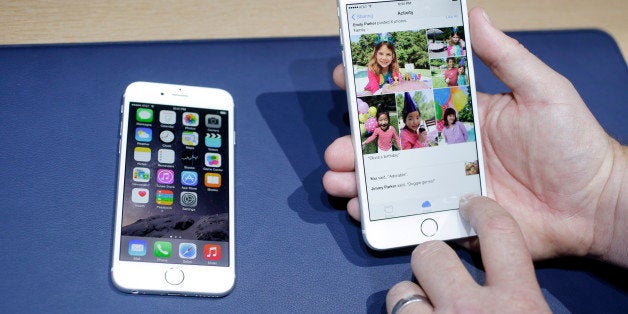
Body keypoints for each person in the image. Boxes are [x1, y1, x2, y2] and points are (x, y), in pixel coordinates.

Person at [323, 7, 627, 313]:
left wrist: (605, 189)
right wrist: (606, 191)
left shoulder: (437, 116)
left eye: (391, 54)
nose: (387, 58)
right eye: (383, 55)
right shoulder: (380, 84)